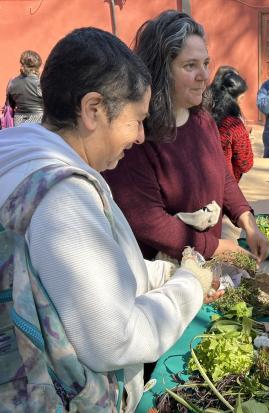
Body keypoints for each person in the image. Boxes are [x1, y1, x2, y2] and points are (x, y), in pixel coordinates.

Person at [0, 28, 221, 412]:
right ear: (93, 110)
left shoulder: (19, 150)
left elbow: (104, 275)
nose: (139, 137)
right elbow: (114, 338)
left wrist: (163, 274)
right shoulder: (62, 196)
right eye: (136, 120)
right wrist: (190, 286)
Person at [103, 10, 269, 263]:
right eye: (190, 65)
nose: (204, 75)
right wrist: (214, 247)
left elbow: (223, 175)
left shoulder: (202, 120)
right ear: (161, 71)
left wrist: (247, 221)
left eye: (205, 63)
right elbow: (148, 221)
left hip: (201, 264)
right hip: (161, 276)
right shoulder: (136, 136)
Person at [209, 71, 254, 181]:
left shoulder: (207, 117)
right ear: (234, 99)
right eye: (242, 98)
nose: (242, 102)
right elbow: (245, 164)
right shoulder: (234, 125)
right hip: (226, 184)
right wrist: (245, 141)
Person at [7, 50, 44, 126]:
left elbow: (10, 105)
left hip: (18, 122)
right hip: (39, 121)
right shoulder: (40, 83)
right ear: (37, 67)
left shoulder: (12, 82)